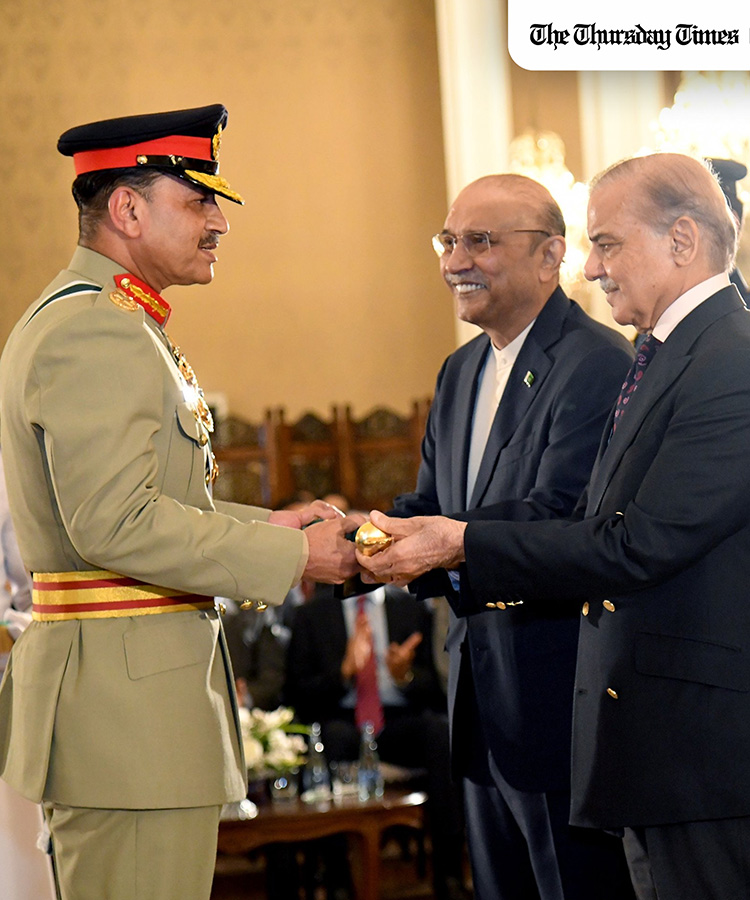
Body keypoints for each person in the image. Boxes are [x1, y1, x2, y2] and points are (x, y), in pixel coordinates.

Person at [358, 152, 750, 900]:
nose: (591, 266)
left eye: (606, 243)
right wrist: (363, 540)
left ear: (683, 241)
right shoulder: (671, 356)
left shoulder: (728, 359)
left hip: (699, 750)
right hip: (645, 742)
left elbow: (633, 543)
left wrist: (462, 542)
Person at [0, 104, 362, 900]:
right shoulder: (94, 328)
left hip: (132, 716)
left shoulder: (118, 321)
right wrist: (296, 556)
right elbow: (114, 524)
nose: (220, 223)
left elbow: (149, 500)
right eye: (199, 200)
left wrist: (269, 525)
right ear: (127, 209)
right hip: (128, 727)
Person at [389, 173, 635, 900]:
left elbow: (562, 521)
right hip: (479, 712)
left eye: (480, 241)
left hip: (559, 710)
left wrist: (436, 539)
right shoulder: (459, 370)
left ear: (550, 253)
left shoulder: (596, 364)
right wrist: (360, 539)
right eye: (449, 239)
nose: (454, 260)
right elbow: (433, 505)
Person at [285, 583, 466, 900]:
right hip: (341, 719)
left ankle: (449, 876)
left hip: (396, 719)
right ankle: (338, 882)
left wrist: (404, 676)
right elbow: (298, 694)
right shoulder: (310, 614)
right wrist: (343, 672)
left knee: (440, 733)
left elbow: (437, 690)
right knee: (330, 740)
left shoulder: (411, 607)